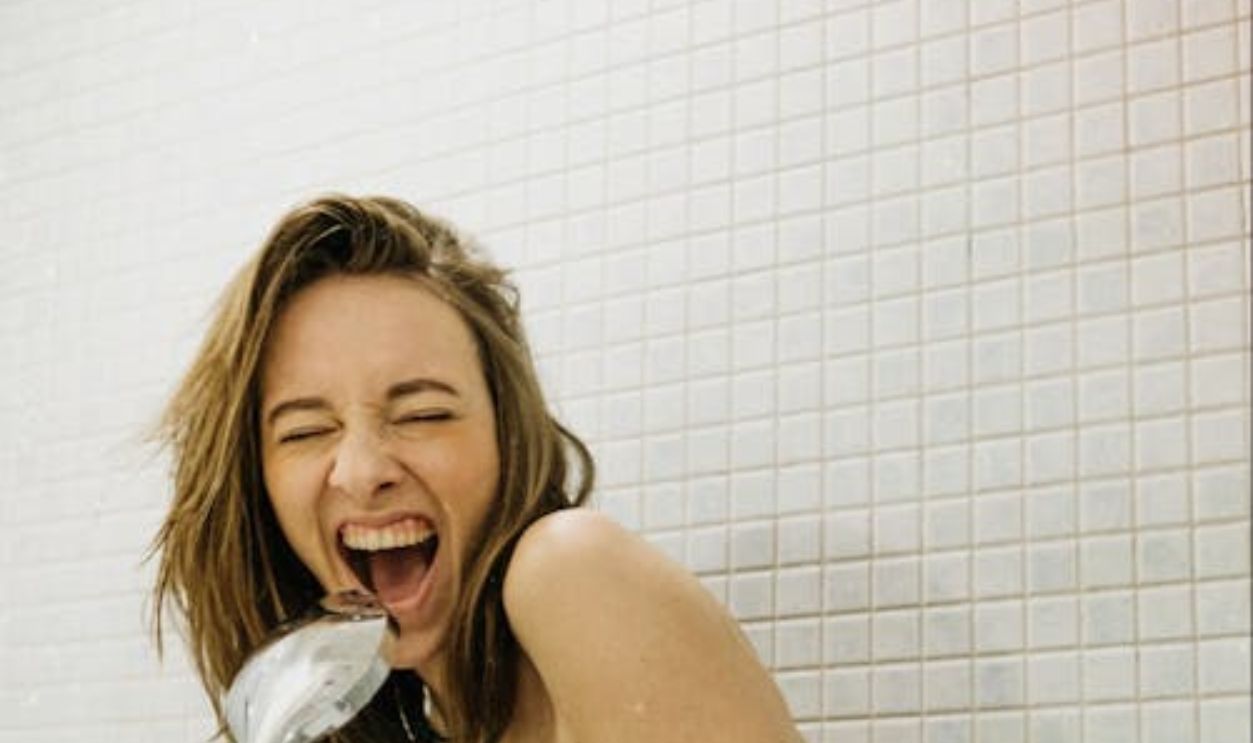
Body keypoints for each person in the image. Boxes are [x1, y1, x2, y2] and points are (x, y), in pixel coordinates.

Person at [150, 194, 802, 742]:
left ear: (506, 434)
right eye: (306, 430)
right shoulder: (429, 718)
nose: (361, 469)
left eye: (424, 413)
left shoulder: (571, 567)